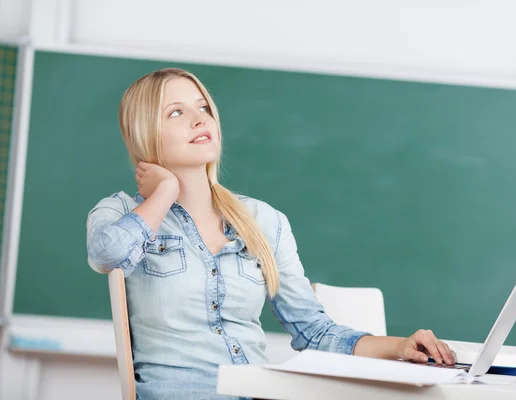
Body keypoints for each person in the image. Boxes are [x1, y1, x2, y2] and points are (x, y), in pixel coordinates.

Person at [86, 68, 455, 400]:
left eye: (203, 108)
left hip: (255, 393)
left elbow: (312, 330)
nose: (200, 119)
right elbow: (106, 256)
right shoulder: (118, 212)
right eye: (176, 112)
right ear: (144, 131)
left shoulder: (263, 220)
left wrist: (400, 347)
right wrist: (164, 192)